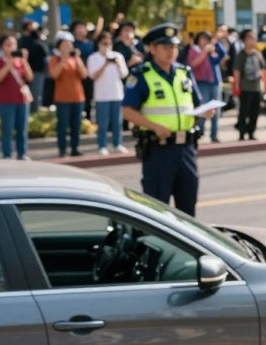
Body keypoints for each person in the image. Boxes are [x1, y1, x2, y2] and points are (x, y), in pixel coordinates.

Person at [122, 23, 213, 216]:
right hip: (158, 150)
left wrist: (204, 112)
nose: (171, 51)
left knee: (188, 209)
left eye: (174, 46)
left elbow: (197, 104)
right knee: (157, 210)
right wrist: (154, 126)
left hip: (186, 148)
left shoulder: (184, 73)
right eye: (165, 47)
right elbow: (127, 111)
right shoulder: (142, 75)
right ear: (152, 48)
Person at [86, 31, 128, 155]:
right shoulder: (93, 58)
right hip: (101, 96)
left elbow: (124, 74)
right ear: (99, 44)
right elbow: (93, 76)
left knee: (117, 122)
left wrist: (117, 64)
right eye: (104, 43)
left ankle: (117, 144)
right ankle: (102, 145)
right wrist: (105, 64)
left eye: (109, 43)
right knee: (103, 123)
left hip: (117, 94)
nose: (106, 46)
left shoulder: (118, 56)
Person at [49, 32, 88, 157]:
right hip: (62, 98)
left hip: (78, 97)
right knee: (62, 125)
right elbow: (54, 75)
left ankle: (75, 148)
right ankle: (62, 149)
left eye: (70, 45)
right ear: (59, 47)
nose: (68, 48)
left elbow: (84, 74)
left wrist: (77, 58)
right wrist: (63, 60)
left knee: (76, 125)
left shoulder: (76, 59)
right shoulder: (54, 59)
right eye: (65, 45)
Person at [0, 35, 33, 160]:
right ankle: (7, 154)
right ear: (2, 47)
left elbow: (30, 77)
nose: (12, 47)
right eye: (8, 44)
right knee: (7, 129)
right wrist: (9, 62)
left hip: (22, 99)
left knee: (22, 129)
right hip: (6, 100)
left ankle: (22, 153)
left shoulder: (21, 61)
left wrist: (25, 61)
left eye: (14, 44)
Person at [188, 31, 226, 142]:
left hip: (215, 83)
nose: (205, 41)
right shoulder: (194, 50)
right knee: (203, 109)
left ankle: (214, 135)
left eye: (207, 39)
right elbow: (194, 63)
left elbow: (222, 55)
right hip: (202, 83)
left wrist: (216, 42)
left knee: (215, 111)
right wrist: (204, 52)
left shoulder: (212, 51)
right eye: (202, 39)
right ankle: (200, 132)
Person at [232, 29, 265, 140]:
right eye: (250, 38)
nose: (252, 41)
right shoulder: (241, 55)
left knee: (255, 112)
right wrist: (236, 85)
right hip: (245, 87)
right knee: (244, 111)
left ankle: (251, 132)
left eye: (253, 38)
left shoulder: (257, 54)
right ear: (245, 40)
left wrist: (265, 85)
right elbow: (237, 71)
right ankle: (242, 132)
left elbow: (263, 69)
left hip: (257, 87)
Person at [19, 20, 48, 110]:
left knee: (36, 94)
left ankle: (34, 113)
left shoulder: (37, 39)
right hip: (24, 71)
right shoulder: (22, 41)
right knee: (27, 94)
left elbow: (45, 52)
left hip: (37, 71)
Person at [71, 20, 96, 119]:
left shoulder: (91, 44)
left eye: (83, 27)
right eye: (79, 27)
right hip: (75, 75)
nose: (81, 30)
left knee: (89, 98)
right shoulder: (72, 44)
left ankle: (88, 120)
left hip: (89, 75)